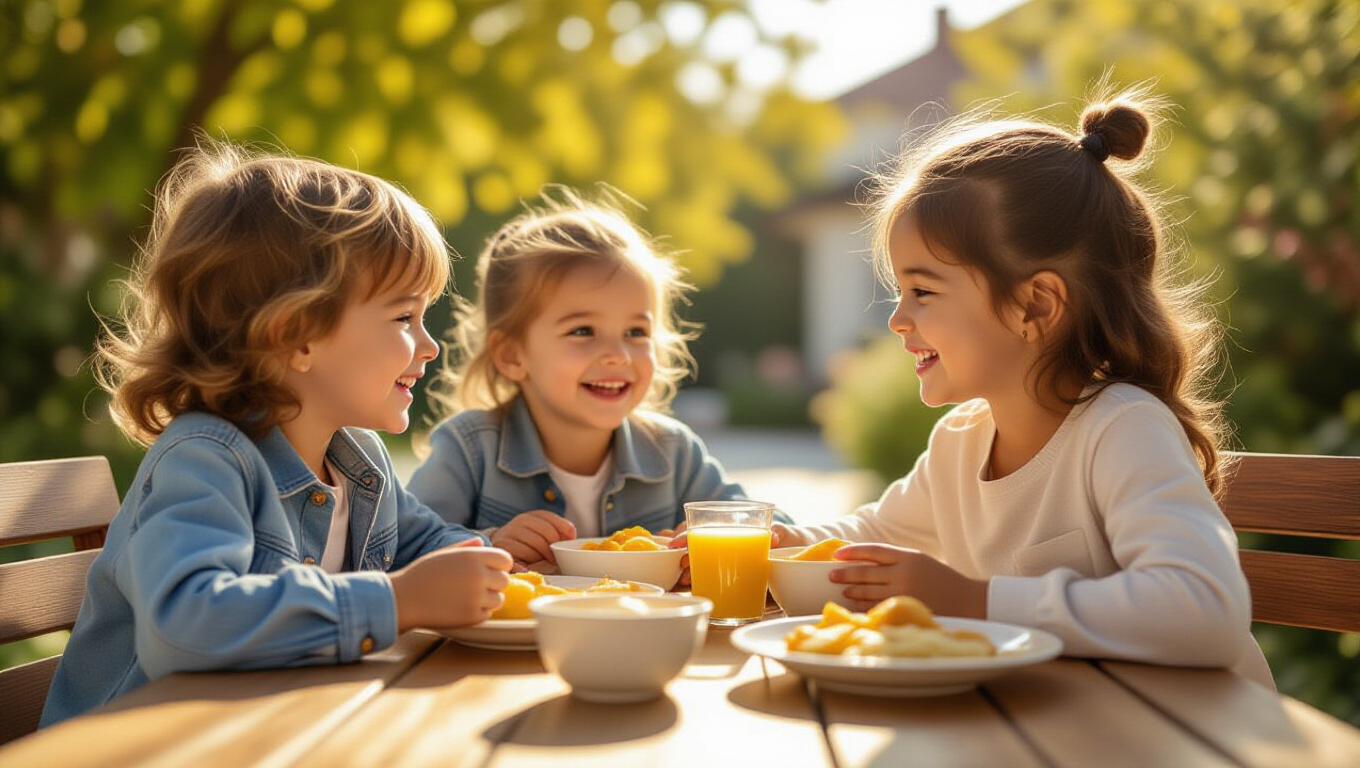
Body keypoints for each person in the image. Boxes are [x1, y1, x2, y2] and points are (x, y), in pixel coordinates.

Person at [773, 89, 1273, 685]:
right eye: (899, 292)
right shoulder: (960, 443)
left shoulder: (1122, 428)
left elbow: (1204, 611)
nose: (897, 319)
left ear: (1034, 305)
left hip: (1195, 738)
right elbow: (870, 539)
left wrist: (975, 600)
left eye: (923, 291)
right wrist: (772, 546)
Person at [41, 140, 512, 727]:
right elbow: (184, 626)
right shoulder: (206, 460)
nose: (430, 344)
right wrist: (397, 602)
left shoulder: (357, 460)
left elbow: (428, 548)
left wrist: (502, 560)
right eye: (402, 318)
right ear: (298, 336)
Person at [408, 188, 774, 572]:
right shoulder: (470, 449)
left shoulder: (673, 452)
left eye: (636, 332)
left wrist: (709, 542)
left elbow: (759, 528)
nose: (618, 354)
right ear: (512, 355)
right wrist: (490, 542)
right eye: (583, 331)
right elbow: (407, 543)